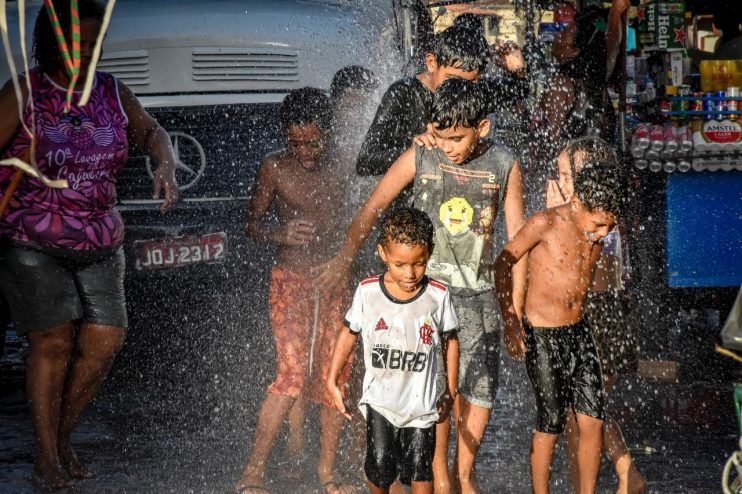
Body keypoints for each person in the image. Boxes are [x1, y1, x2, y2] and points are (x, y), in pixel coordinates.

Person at [314, 77, 527, 494]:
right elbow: (374, 205)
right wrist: (343, 259)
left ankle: (466, 474)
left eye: (457, 138)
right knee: (435, 391)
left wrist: (514, 311)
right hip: (424, 296)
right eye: (442, 136)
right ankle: (442, 476)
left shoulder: (504, 163)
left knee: (480, 387)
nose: (447, 146)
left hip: (480, 294)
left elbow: (516, 242)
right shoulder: (422, 154)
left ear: (482, 128)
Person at [0, 1, 178, 489]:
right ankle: (46, 456)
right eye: (78, 39)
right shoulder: (25, 92)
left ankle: (60, 439)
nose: (88, 49)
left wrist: (163, 162)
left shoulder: (112, 92)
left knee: (105, 342)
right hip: (31, 238)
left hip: (101, 237)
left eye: (95, 39)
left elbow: (151, 132)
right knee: (53, 341)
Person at [235, 87, 355, 494]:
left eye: (313, 141)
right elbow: (251, 225)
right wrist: (279, 232)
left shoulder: (345, 164)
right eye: (296, 142)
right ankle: (252, 472)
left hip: (334, 283)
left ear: (329, 133)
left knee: (334, 376)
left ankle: (327, 474)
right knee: (290, 374)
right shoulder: (273, 167)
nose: (305, 151)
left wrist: (343, 263)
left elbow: (363, 220)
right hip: (290, 281)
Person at [495, 162, 628, 494]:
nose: (602, 235)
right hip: (542, 336)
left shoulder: (597, 230)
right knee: (551, 421)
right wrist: (510, 317)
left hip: (579, 332)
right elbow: (503, 262)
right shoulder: (546, 223)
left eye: (610, 227)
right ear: (578, 203)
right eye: (598, 225)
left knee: (592, 419)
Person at [326, 207, 459, 494]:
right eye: (400, 264)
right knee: (379, 463)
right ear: (383, 253)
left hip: (421, 405)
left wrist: (450, 388)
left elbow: (451, 340)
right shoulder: (368, 292)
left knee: (421, 467)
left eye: (419, 263)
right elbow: (349, 333)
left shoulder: (438, 295)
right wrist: (332, 379)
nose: (410, 273)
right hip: (381, 401)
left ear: (430, 252)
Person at [546, 137, 646, 494]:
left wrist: (556, 218)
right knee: (586, 410)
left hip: (596, 316)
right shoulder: (603, 206)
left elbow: (575, 270)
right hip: (609, 313)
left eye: (565, 176)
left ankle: (609, 480)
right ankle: (626, 474)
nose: (559, 184)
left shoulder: (592, 214)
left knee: (580, 415)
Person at [356, 23, 529, 188]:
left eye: (470, 83)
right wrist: (414, 149)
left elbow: (518, 91)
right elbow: (365, 162)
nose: (458, 90)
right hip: (411, 205)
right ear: (432, 63)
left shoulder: (472, 92)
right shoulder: (403, 94)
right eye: (452, 79)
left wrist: (518, 71)